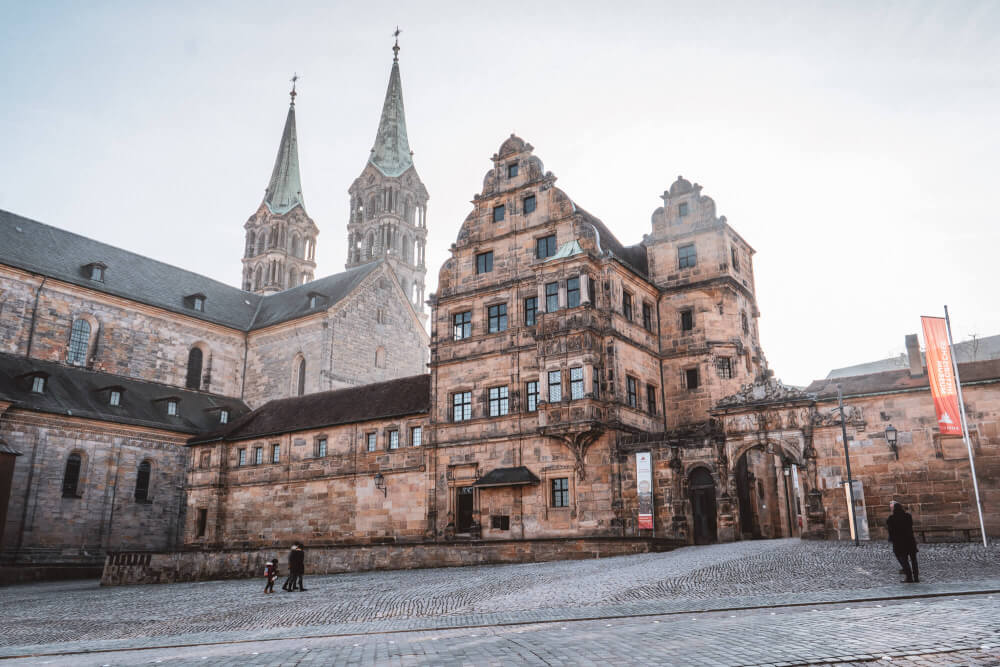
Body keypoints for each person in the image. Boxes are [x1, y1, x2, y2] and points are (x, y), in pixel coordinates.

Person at [886, 501, 919, 583]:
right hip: (910, 541)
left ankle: (909, 577)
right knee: (914, 560)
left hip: (899, 542)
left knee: (903, 560)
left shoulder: (891, 519)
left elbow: (891, 531)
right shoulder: (908, 516)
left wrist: (891, 539)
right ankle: (916, 577)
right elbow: (910, 526)